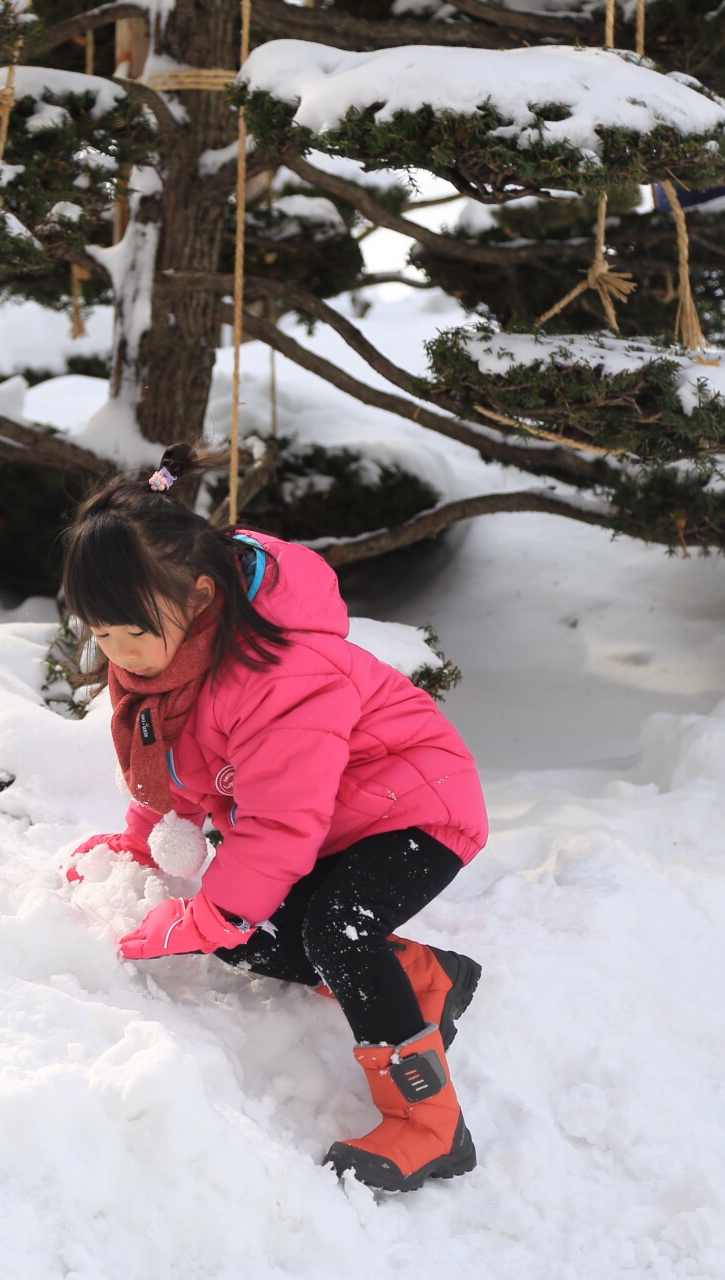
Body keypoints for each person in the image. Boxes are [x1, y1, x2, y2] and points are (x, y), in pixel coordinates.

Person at [60, 444, 490, 1194]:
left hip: (417, 805)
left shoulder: (281, 673)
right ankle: (422, 978)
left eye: (133, 634)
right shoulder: (174, 660)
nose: (122, 657)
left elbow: (280, 824)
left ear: (198, 597)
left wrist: (209, 912)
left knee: (330, 929)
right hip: (337, 821)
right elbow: (183, 767)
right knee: (251, 937)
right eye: (103, 637)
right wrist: (143, 841)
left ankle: (433, 1124)